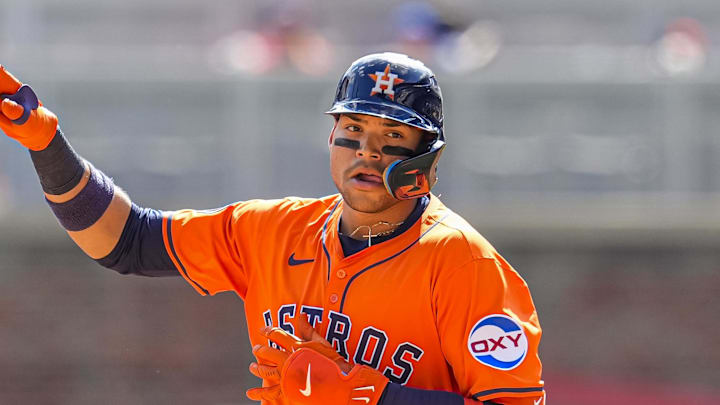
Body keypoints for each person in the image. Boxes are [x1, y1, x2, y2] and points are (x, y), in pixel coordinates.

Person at [0, 53, 544, 405]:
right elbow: (125, 242)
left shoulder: (462, 262)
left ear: (428, 155)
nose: (367, 152)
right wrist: (48, 147)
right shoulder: (272, 230)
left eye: (392, 136)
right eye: (352, 129)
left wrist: (373, 398)